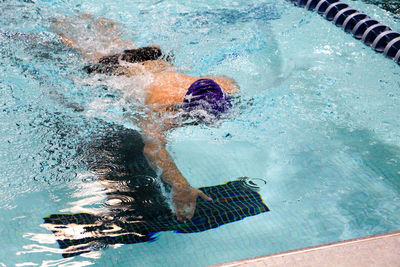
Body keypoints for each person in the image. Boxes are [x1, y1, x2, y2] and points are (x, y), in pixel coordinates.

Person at [53, 13, 239, 221]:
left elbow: (232, 84)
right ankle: (55, 22)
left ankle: (79, 15)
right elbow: (153, 148)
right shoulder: (160, 105)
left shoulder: (217, 84)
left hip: (151, 57)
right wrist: (181, 185)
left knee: (115, 39)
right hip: (117, 70)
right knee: (84, 48)